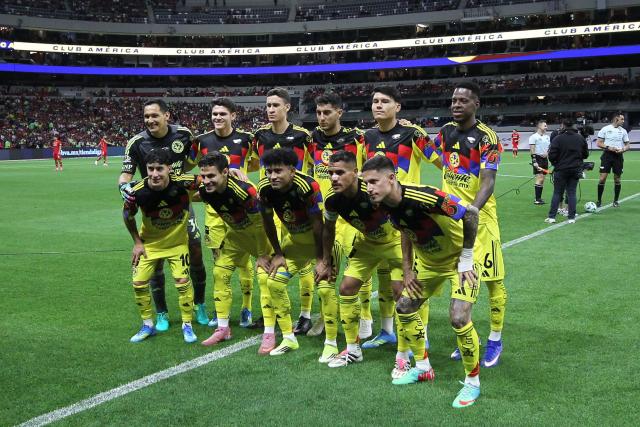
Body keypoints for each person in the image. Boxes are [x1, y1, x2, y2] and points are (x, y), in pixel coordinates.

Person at [361, 155, 482, 408]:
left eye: (373, 181)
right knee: (404, 307)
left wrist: (467, 257)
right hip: (429, 263)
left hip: (461, 260)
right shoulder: (382, 203)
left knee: (459, 317)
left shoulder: (425, 196)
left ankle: (473, 383)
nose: (369, 188)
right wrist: (407, 269)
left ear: (392, 179)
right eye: (366, 182)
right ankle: (423, 367)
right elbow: (405, 230)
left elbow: (470, 214)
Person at [361, 85, 441, 350]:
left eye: (385, 101)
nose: (378, 105)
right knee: (385, 276)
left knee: (412, 280)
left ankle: (422, 335)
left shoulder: (412, 134)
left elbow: (442, 162)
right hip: (379, 218)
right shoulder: (367, 137)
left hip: (408, 217)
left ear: (398, 107)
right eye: (375, 101)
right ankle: (386, 331)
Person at [119, 99, 208, 331]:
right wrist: (124, 188)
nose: (150, 120)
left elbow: (197, 161)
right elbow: (126, 174)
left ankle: (199, 304)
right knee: (154, 260)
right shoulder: (136, 143)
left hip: (181, 204)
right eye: (146, 116)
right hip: (153, 206)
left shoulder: (184, 135)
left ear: (166, 116)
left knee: (195, 249)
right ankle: (161, 313)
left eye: (154, 115)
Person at [434, 82, 507, 368]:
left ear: (476, 104)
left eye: (463, 100)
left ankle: (495, 340)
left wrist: (473, 210)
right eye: (453, 100)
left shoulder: (487, 138)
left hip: (481, 221)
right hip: (451, 221)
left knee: (492, 281)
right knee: (461, 278)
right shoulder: (445, 133)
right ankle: (468, 334)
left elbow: (488, 181)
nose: (456, 104)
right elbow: (446, 166)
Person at [316, 151, 404, 367]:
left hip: (395, 242)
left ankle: (404, 352)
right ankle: (353, 349)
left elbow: (405, 214)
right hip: (367, 243)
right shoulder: (333, 200)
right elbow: (328, 230)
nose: (334, 178)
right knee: (346, 288)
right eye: (331, 173)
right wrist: (325, 261)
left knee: (401, 293)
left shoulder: (374, 191)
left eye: (340, 173)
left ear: (355, 173)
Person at [258, 148, 337, 357]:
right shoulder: (265, 189)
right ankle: (288, 338)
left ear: (292, 171)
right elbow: (267, 222)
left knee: (325, 290)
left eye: (278, 171)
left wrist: (322, 259)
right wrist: (278, 253)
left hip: (321, 245)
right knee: (274, 283)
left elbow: (318, 224)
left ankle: (331, 343)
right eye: (269, 171)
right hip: (294, 244)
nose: (273, 176)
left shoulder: (307, 186)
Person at [196, 152, 277, 354]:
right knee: (219, 273)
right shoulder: (206, 191)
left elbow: (260, 226)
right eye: (203, 176)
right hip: (235, 237)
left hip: (260, 237)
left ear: (224, 173)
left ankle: (269, 332)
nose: (206, 181)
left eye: (211, 176)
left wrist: (261, 254)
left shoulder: (244, 191)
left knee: (265, 279)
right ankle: (223, 328)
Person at [310, 92, 373, 340]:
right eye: (318, 112)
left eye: (327, 112)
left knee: (358, 266)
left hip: (354, 214)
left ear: (339, 112)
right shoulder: (311, 139)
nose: (322, 117)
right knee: (324, 267)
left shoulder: (357, 138)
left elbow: (368, 169)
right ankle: (326, 318)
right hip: (326, 214)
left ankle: (365, 316)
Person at [253, 87, 316, 335]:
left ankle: (305, 315)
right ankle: (272, 313)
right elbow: (239, 157)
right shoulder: (258, 136)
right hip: (269, 206)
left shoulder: (302, 135)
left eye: (275, 105)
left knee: (303, 265)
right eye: (268, 105)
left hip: (296, 208)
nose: (270, 110)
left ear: (287, 107)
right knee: (268, 264)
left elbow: (318, 159)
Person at [190, 98, 257, 329]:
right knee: (219, 262)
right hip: (214, 213)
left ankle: (246, 308)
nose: (217, 117)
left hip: (240, 211)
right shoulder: (202, 141)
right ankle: (222, 313)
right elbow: (189, 166)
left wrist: (241, 174)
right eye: (214, 114)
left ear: (233, 116)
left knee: (244, 262)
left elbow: (258, 164)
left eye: (222, 114)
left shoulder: (247, 140)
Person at [122, 148, 199, 344]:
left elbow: (208, 179)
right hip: (150, 245)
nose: (155, 174)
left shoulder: (183, 183)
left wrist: (231, 171)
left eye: (159, 169)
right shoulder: (136, 191)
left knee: (182, 282)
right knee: (138, 283)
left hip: (177, 244)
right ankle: (148, 325)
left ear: (169, 170)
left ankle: (187, 324)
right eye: (151, 169)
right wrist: (137, 242)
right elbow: (127, 215)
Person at [545, 119, 589, 224]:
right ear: (573, 125)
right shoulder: (580, 138)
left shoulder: (558, 138)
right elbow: (586, 154)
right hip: (575, 169)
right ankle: (571, 218)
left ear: (563, 126)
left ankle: (552, 217)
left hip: (561, 169)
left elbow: (551, 156)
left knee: (557, 193)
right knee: (572, 193)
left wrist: (556, 163)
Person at [596, 112, 630, 208]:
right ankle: (599, 201)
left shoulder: (623, 131)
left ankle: (615, 201)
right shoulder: (605, 129)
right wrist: (608, 147)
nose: (623, 121)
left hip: (618, 157)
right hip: (607, 156)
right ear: (616, 119)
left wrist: (623, 149)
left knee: (617, 179)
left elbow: (628, 145)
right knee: (602, 179)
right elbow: (598, 143)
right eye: (622, 119)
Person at [529, 120, 551, 205]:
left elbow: (549, 147)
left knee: (542, 179)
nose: (546, 127)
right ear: (539, 126)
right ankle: (537, 199)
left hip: (545, 159)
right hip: (537, 159)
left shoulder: (547, 137)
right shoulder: (533, 137)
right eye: (545, 126)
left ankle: (539, 198)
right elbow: (532, 149)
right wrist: (534, 161)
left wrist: (547, 154)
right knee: (540, 178)